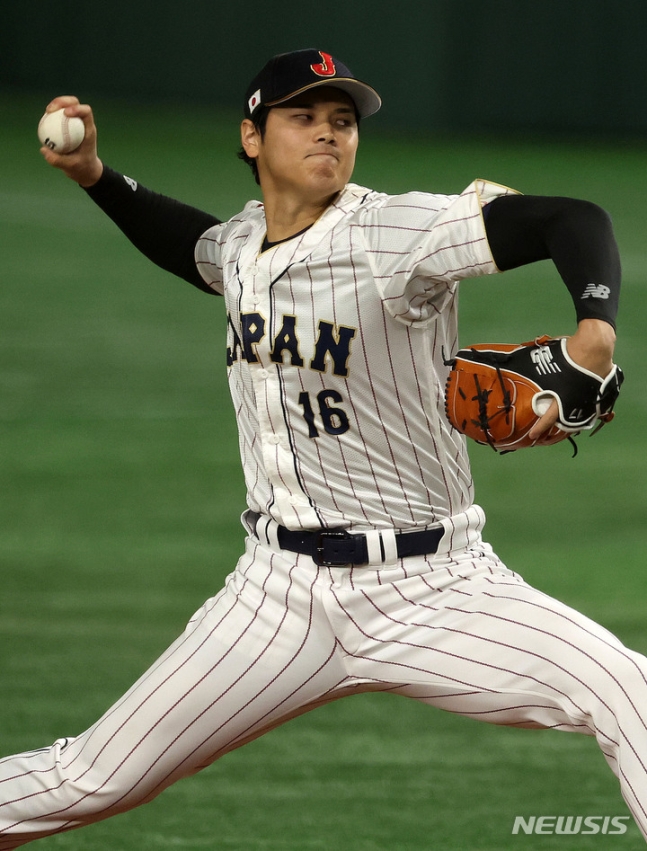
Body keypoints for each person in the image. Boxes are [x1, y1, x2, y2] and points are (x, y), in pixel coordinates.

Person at [1, 48, 644, 848]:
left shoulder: (395, 232)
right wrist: (95, 176)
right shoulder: (243, 245)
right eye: (302, 117)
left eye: (342, 121)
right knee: (92, 777)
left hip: (432, 588)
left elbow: (571, 219)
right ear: (251, 137)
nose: (328, 133)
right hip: (275, 595)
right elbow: (193, 246)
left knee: (624, 687)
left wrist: (593, 330)